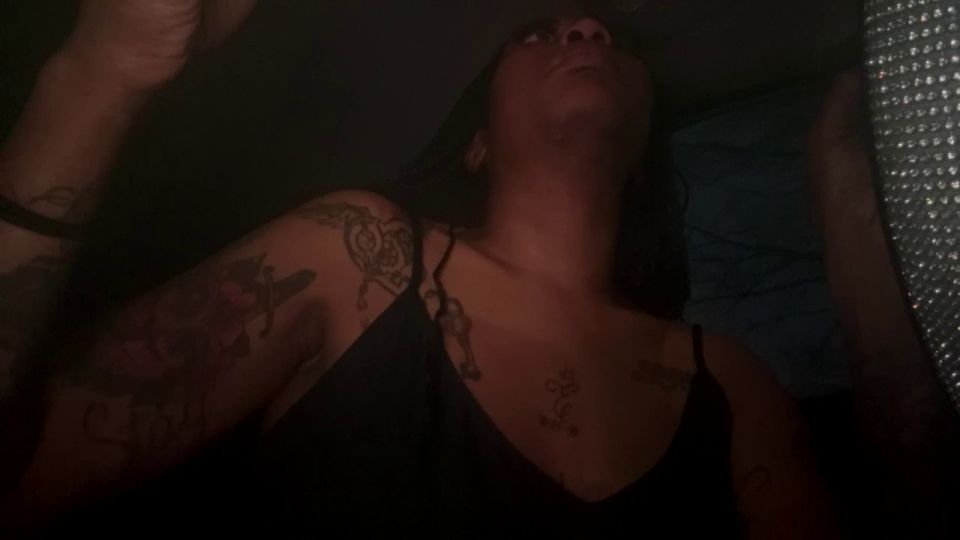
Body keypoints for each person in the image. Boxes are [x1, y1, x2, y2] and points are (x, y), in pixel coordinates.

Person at [0, 1, 839, 537]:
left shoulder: (730, 385)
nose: (587, 30)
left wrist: (857, 233)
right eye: (536, 34)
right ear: (476, 144)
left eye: (612, 40)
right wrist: (103, 72)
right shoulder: (354, 256)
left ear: (644, 160)